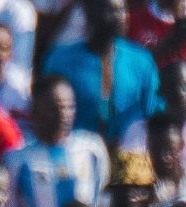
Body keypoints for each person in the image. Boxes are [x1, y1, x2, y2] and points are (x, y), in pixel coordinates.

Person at [5, 76, 110, 207]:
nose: (64, 114)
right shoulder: (18, 159)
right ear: (35, 111)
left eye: (69, 107)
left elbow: (101, 200)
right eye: (54, 108)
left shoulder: (92, 149)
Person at [42, 0, 162, 143]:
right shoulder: (60, 60)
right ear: (90, 13)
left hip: (129, 154)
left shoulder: (142, 61)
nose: (121, 16)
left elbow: (153, 111)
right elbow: (45, 114)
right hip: (75, 153)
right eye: (112, 10)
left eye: (123, 10)